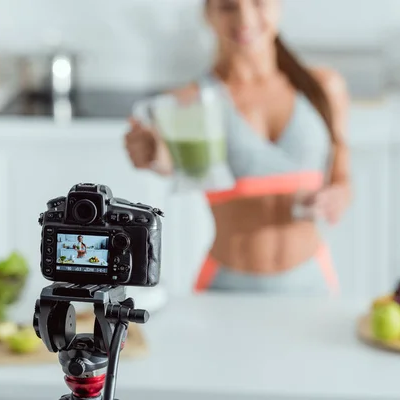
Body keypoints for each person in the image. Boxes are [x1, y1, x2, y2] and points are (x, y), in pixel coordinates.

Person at [125, 0, 351, 295]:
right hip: (228, 287)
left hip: (313, 280)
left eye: (258, 3)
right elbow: (173, 163)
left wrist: (340, 194)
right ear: (209, 15)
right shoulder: (191, 101)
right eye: (228, 7)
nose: (245, 18)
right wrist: (153, 155)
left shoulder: (323, 87)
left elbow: (341, 172)